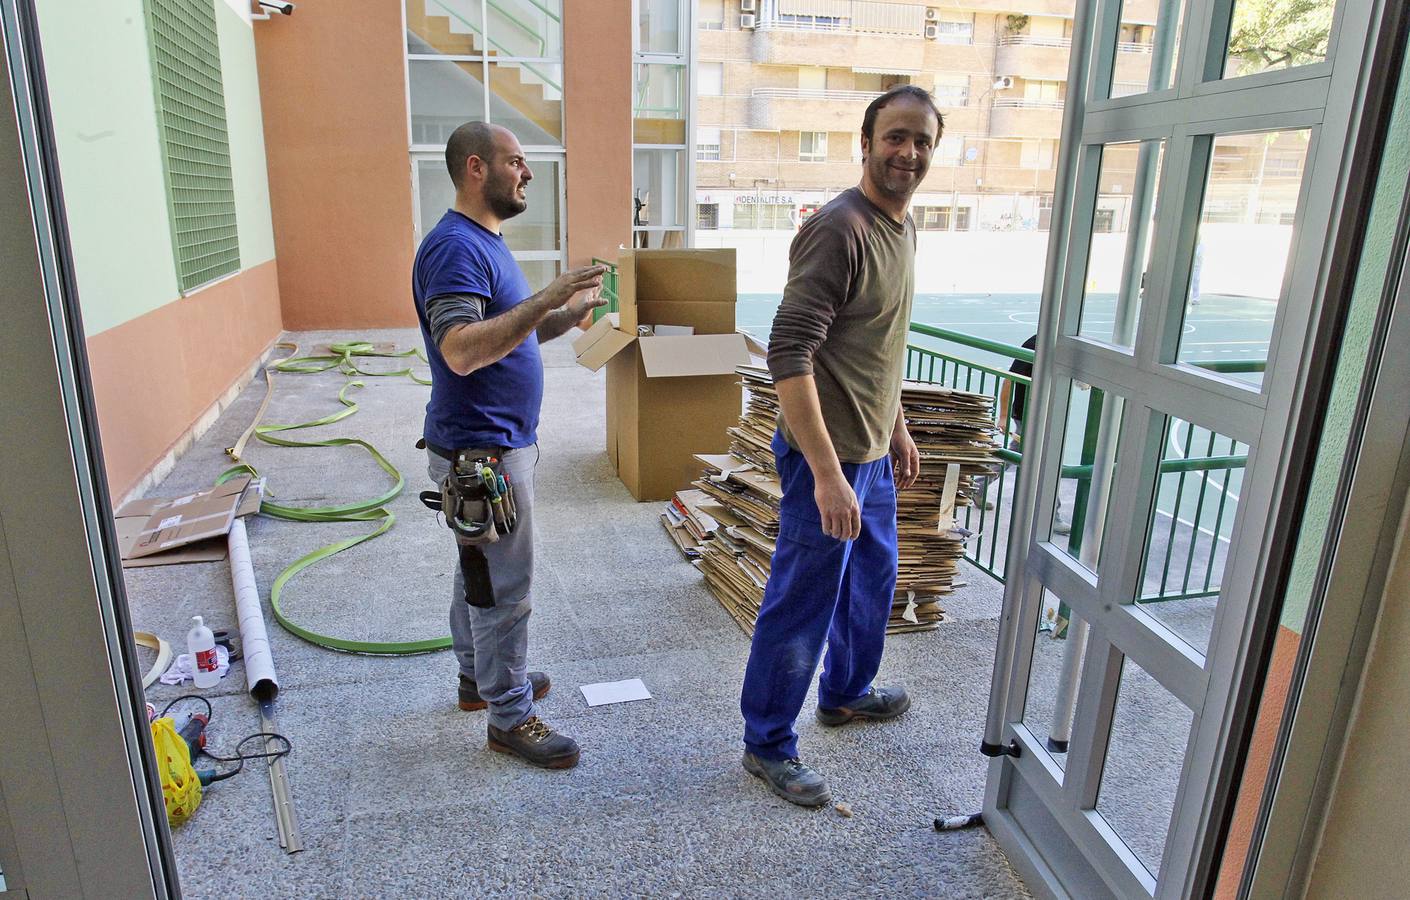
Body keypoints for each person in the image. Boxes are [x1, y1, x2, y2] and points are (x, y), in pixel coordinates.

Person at [739, 85, 943, 806]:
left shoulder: (903, 227)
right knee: (802, 602)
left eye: (921, 140)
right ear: (865, 142)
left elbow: (874, 343)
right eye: (895, 137)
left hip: (869, 454)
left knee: (872, 581)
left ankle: (847, 692)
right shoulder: (840, 229)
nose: (908, 153)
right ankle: (767, 742)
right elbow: (789, 353)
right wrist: (828, 477)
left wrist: (897, 426)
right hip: (825, 461)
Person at [413, 121, 606, 769]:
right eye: (516, 162)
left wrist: (564, 314)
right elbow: (462, 350)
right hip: (481, 455)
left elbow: (508, 336)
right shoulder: (454, 249)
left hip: (491, 445)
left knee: (479, 571)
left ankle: (478, 680)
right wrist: (548, 293)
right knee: (506, 586)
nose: (526, 174)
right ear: (476, 168)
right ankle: (510, 715)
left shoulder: (485, 243)